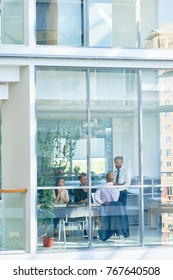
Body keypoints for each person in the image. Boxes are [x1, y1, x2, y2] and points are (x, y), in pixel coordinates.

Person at [114, 156, 131, 237]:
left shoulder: (126, 171)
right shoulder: (114, 172)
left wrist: (119, 186)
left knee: (123, 212)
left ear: (121, 162)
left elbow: (127, 184)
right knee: (116, 212)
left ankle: (125, 232)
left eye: (117, 162)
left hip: (122, 193)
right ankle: (118, 231)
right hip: (114, 194)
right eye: (115, 162)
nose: (115, 164)